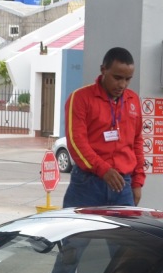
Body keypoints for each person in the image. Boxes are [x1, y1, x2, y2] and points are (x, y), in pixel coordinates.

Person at [63, 47, 146, 207]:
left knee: (122, 232)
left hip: (123, 184)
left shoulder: (133, 100)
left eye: (128, 79)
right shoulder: (80, 98)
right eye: (117, 77)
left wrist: (137, 182)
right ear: (103, 70)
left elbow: (137, 142)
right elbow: (76, 143)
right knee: (79, 231)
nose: (122, 84)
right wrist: (103, 170)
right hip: (88, 183)